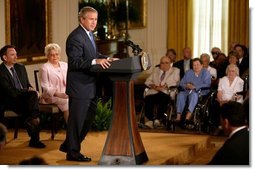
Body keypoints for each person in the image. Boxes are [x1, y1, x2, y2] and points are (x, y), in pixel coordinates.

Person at [60, 6, 117, 162]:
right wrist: (95, 61)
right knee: (77, 121)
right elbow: (75, 62)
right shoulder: (75, 37)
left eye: (96, 19)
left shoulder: (89, 35)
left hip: (91, 86)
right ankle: (73, 152)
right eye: (91, 19)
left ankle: (69, 144)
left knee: (88, 119)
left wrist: (107, 58)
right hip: (79, 86)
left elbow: (94, 55)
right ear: (82, 19)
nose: (94, 22)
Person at [0, 45, 45, 148]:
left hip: (23, 99)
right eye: (12, 55)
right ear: (5, 57)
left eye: (16, 54)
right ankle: (34, 139)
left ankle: (31, 119)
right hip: (9, 101)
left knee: (33, 97)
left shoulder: (20, 67)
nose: (16, 57)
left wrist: (32, 89)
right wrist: (28, 91)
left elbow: (27, 85)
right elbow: (9, 91)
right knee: (32, 105)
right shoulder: (1, 71)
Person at [144, 56, 180, 129]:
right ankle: (150, 120)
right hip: (154, 91)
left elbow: (176, 81)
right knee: (148, 99)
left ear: (170, 63)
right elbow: (147, 81)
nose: (164, 65)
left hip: (167, 92)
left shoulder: (175, 70)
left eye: (167, 63)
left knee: (163, 98)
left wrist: (165, 86)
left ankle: (158, 119)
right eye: (162, 63)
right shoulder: (156, 70)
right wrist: (154, 86)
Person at [39, 43, 68, 123]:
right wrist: (59, 94)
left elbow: (71, 81)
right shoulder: (45, 68)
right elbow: (45, 88)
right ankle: (71, 131)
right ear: (47, 56)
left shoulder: (65, 65)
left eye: (56, 54)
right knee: (68, 102)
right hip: (50, 96)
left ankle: (77, 129)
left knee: (78, 100)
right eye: (52, 55)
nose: (55, 57)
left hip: (66, 94)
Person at [175, 58, 211, 122]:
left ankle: (189, 114)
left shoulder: (206, 73)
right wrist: (186, 85)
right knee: (180, 95)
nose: (196, 66)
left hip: (200, 92)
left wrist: (195, 87)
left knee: (194, 95)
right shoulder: (189, 72)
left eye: (197, 64)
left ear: (202, 65)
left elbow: (207, 84)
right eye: (194, 65)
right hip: (188, 90)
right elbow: (181, 83)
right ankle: (178, 116)